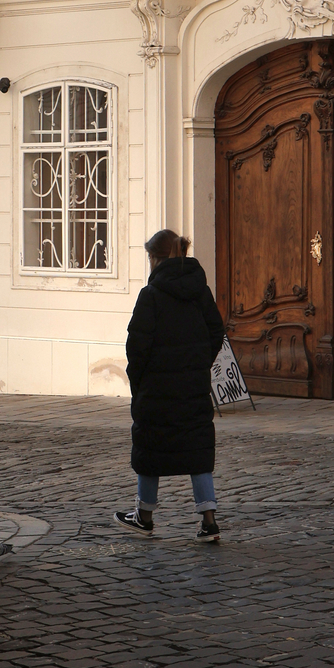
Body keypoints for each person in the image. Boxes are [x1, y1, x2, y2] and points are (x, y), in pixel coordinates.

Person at [116, 229, 226, 543]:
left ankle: (144, 516)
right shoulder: (199, 290)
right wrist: (198, 364)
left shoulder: (150, 296)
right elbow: (215, 331)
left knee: (150, 447)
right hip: (192, 385)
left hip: (156, 388)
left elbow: (136, 346)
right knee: (197, 449)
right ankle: (209, 521)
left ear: (155, 258)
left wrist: (139, 380)